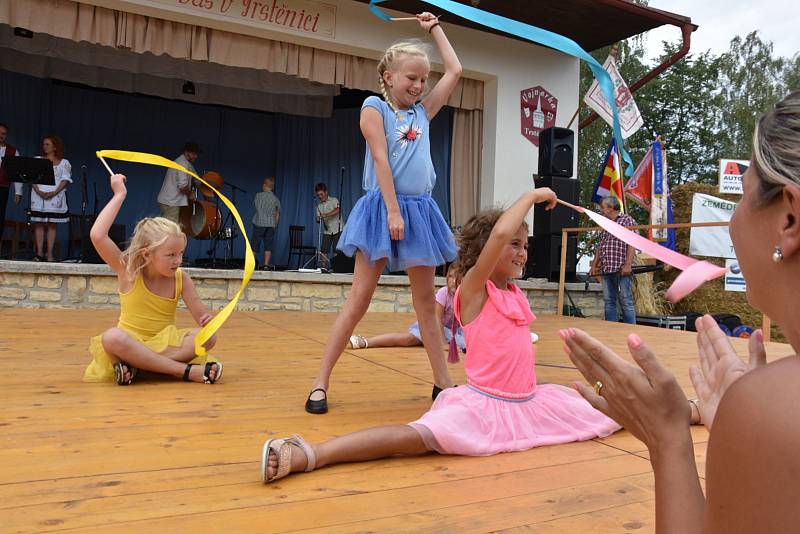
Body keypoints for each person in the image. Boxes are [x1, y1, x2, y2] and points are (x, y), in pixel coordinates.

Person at [262, 187, 622, 483]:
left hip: (529, 402)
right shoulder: (474, 290)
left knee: (601, 409)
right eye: (515, 244)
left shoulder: (515, 293)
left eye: (525, 246)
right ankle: (311, 453)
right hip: (484, 408)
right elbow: (498, 234)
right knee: (412, 439)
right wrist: (530, 197)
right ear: (487, 250)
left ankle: (675, 410)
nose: (523, 253)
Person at [562, 90, 800, 533]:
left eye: (743, 198)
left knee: (623, 304)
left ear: (789, 220)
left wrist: (666, 438)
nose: (732, 223)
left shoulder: (774, 411)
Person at [305, 13, 462, 414]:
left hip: (421, 211)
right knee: (359, 299)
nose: (418, 85)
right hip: (382, 208)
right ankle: (320, 382)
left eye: (424, 79)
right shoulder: (373, 107)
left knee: (426, 305)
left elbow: (457, 68)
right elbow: (380, 158)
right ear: (388, 76)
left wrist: (435, 29)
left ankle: (443, 384)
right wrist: (393, 211)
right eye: (411, 77)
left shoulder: (423, 113)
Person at [83, 172, 223, 385]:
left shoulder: (181, 278)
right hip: (130, 342)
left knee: (209, 338)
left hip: (165, 343)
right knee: (111, 338)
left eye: (180, 254)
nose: (178, 260)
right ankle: (183, 371)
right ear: (147, 254)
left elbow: (203, 321)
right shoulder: (128, 270)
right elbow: (97, 235)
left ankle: (139, 365)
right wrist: (119, 195)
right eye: (171, 255)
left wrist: (209, 323)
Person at [348, 263, 466, 356]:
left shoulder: (466, 295)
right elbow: (436, 319)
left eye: (456, 277)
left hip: (454, 332)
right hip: (434, 327)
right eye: (450, 276)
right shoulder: (443, 293)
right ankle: (367, 342)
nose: (452, 280)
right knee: (409, 339)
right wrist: (443, 343)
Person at [590, 196, 637, 324]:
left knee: (625, 300)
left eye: (603, 207)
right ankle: (611, 330)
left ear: (611, 208)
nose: (601, 210)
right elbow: (600, 246)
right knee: (609, 301)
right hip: (607, 269)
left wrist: (628, 265)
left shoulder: (627, 220)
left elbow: (632, 243)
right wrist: (594, 265)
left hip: (622, 268)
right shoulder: (606, 224)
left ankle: (631, 331)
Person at [29, 135, 71, 262]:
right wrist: (38, 191)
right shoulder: (38, 160)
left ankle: (50, 254)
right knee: (39, 223)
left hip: (55, 195)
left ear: (55, 146)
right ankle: (39, 253)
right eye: (43, 144)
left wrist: (53, 192)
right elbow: (31, 177)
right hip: (38, 194)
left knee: (52, 224)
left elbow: (65, 180)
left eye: (47, 144)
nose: (44, 147)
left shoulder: (64, 163)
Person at [157, 142, 200, 224]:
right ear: (187, 152)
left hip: (170, 201)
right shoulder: (182, 163)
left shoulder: (186, 164)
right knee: (170, 230)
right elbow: (183, 186)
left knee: (172, 228)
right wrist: (190, 194)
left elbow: (197, 179)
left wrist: (207, 186)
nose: (196, 156)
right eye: (194, 153)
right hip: (171, 202)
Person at [0, 123, 24, 244]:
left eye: (3, 133)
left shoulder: (13, 151)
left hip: (3, 187)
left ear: (6, 136)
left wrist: (18, 192)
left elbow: (17, 172)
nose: (1, 135)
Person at [252, 177, 281, 270]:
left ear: (264, 185)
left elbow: (256, 207)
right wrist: (275, 225)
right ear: (272, 187)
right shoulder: (275, 199)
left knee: (255, 244)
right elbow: (277, 214)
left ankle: (252, 265)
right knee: (268, 245)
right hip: (270, 225)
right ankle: (266, 265)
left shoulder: (258, 195)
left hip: (259, 223)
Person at [314, 182, 343, 268]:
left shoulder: (334, 200)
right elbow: (318, 220)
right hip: (327, 230)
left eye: (321, 194)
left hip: (337, 228)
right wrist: (318, 219)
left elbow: (338, 210)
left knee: (336, 250)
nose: (320, 197)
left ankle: (336, 268)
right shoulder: (319, 206)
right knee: (324, 250)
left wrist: (326, 215)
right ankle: (323, 268)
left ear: (326, 192)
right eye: (318, 195)